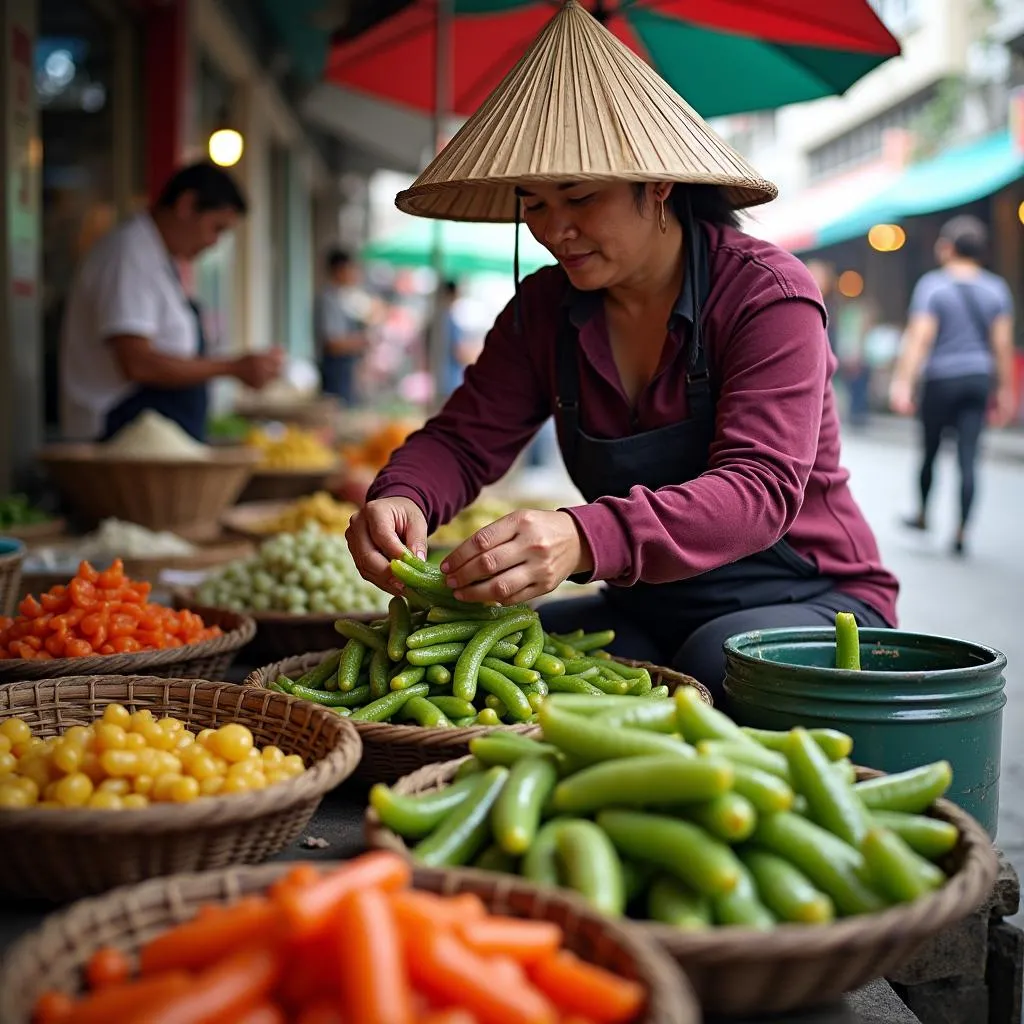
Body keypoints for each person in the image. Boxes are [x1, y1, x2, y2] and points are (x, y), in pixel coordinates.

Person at [345, 2, 899, 701]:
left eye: (578, 197)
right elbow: (462, 441)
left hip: (814, 601)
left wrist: (583, 536)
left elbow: (760, 490)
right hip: (647, 605)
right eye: (535, 204)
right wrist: (403, 495)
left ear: (659, 183)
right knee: (478, 674)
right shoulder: (543, 308)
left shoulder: (767, 296)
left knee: (708, 668)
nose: (556, 230)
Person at [59, 163, 283, 442]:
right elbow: (138, 363)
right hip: (116, 435)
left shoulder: (160, 260)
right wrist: (233, 368)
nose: (213, 242)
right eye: (216, 228)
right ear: (187, 206)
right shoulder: (129, 256)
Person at [890, 215, 1016, 555]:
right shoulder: (996, 289)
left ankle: (922, 513)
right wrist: (1006, 391)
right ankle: (961, 531)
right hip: (977, 378)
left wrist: (903, 382)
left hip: (940, 379)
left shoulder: (933, 286)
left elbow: (920, 339)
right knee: (969, 457)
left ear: (947, 248)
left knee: (930, 451)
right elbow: (1002, 345)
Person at [316, 248, 373, 404]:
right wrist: (360, 341)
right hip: (335, 371)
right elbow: (332, 343)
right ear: (339, 270)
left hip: (345, 371)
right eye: (352, 268)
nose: (355, 273)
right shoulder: (329, 300)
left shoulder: (344, 298)